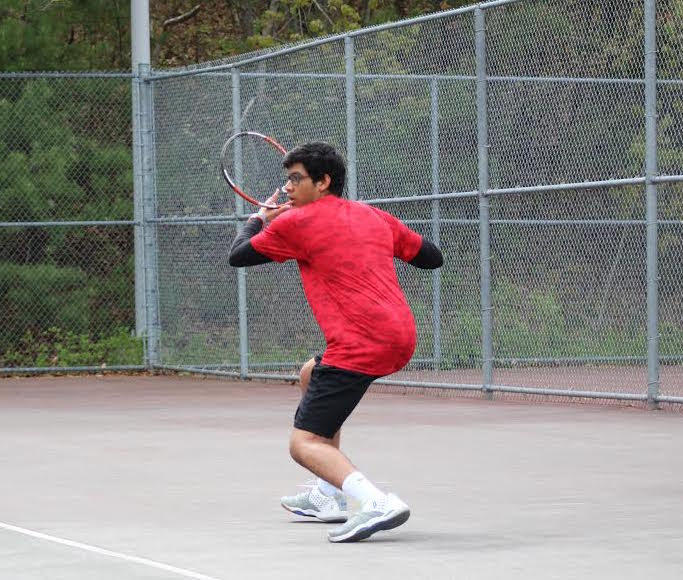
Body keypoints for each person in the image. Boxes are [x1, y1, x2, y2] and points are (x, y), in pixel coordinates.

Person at [228, 142, 443, 543]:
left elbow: (237, 255)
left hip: (361, 343)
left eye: (297, 179)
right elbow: (432, 257)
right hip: (400, 335)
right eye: (287, 178)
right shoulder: (372, 215)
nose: (287, 187)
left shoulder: (295, 225)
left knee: (302, 444)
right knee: (312, 372)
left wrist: (260, 219)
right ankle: (328, 495)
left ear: (324, 181)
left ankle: (372, 501)